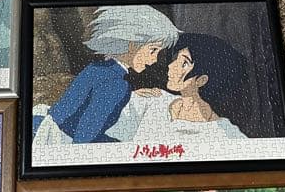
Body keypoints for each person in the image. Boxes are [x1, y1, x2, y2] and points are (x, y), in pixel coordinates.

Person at [31, 5, 180, 145]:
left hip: (41, 125)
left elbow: (84, 104)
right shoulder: (117, 85)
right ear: (132, 44)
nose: (155, 59)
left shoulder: (97, 68)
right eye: (153, 50)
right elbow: (84, 140)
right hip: (54, 140)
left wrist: (131, 95)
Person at [107, 32, 252, 149]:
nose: (171, 66)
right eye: (175, 58)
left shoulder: (227, 135)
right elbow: (106, 141)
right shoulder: (152, 99)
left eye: (184, 63)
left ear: (201, 80)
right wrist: (126, 98)